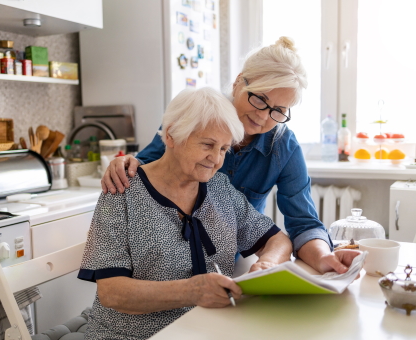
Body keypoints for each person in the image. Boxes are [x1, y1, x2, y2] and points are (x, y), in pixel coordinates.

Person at [101, 36, 361, 275]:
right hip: (165, 263)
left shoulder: (284, 146)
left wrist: (324, 257)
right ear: (239, 82)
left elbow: (304, 223)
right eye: (259, 99)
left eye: (278, 110)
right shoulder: (195, 116)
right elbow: (147, 168)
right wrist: (125, 163)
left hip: (229, 263)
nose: (262, 116)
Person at [78, 87, 293, 340]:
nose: (215, 159)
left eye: (224, 149)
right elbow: (112, 292)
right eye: (207, 145)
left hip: (207, 330)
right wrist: (192, 291)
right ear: (171, 136)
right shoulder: (122, 190)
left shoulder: (219, 188)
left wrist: (266, 264)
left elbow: (278, 240)